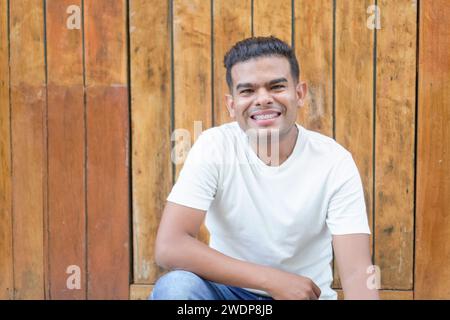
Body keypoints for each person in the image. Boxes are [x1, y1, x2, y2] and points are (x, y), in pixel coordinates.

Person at [150, 36, 379, 300]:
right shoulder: (215, 147)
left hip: (302, 297)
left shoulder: (334, 161)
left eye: (277, 86)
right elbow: (170, 246)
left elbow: (356, 273)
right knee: (176, 288)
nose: (263, 99)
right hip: (229, 297)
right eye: (247, 91)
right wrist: (271, 280)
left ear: (300, 93)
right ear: (232, 105)